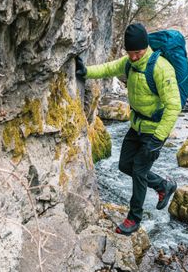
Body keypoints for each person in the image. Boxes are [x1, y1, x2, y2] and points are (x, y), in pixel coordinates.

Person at [75, 23, 180, 235]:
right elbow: (108, 68)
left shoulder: (161, 68)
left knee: (139, 172)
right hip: (136, 126)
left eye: (137, 52)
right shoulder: (130, 63)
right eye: (130, 52)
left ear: (145, 47)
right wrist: (85, 72)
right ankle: (163, 185)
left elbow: (174, 106)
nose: (133, 57)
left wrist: (158, 139)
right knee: (124, 165)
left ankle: (134, 219)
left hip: (154, 131)